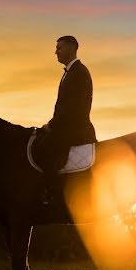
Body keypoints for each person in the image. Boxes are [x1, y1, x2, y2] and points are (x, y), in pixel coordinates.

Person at [35, 35, 96, 205]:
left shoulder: (79, 73)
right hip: (67, 126)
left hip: (75, 129)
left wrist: (52, 125)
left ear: (71, 49)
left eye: (59, 48)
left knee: (46, 148)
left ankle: (51, 195)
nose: (56, 52)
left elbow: (72, 108)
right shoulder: (71, 72)